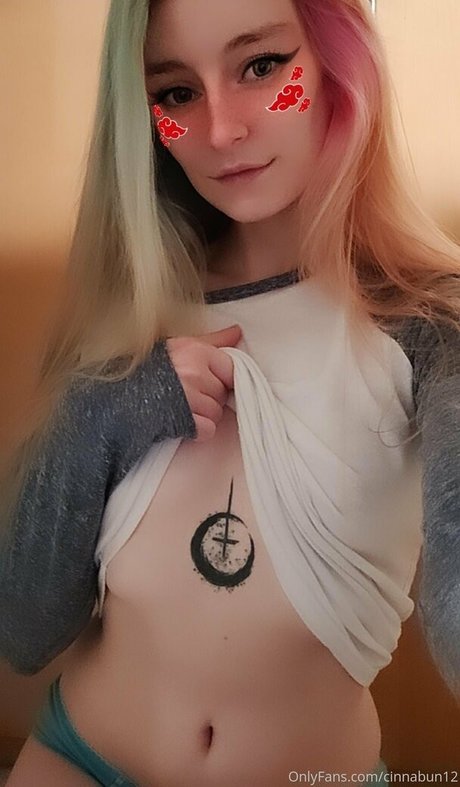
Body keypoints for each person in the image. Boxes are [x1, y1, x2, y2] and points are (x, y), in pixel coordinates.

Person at [2, 0, 460, 783]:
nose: (219, 131)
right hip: (77, 758)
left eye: (261, 66)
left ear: (339, 65)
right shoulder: (130, 312)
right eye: (176, 92)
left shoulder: (429, 327)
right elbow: (23, 626)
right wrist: (107, 411)